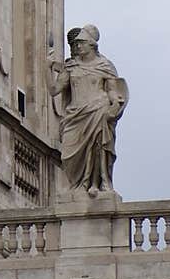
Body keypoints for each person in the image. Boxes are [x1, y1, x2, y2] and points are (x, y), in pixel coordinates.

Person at [47, 24, 128, 195]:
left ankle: (98, 183)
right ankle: (77, 185)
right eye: (76, 43)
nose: (77, 46)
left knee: (99, 147)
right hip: (75, 116)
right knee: (67, 154)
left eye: (81, 43)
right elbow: (54, 90)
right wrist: (48, 68)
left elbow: (113, 90)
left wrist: (114, 104)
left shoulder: (104, 66)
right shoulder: (71, 67)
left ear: (92, 44)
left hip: (98, 110)